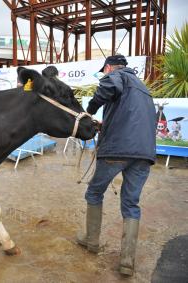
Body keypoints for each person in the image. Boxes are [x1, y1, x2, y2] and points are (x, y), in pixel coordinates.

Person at [76, 55, 156, 276]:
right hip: (144, 153)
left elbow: (109, 86)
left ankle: (91, 241)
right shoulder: (141, 87)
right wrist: (106, 123)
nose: (105, 75)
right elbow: (131, 118)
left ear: (109, 68)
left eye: (105, 71)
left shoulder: (116, 76)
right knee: (131, 203)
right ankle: (127, 261)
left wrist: (89, 112)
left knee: (94, 192)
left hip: (118, 149)